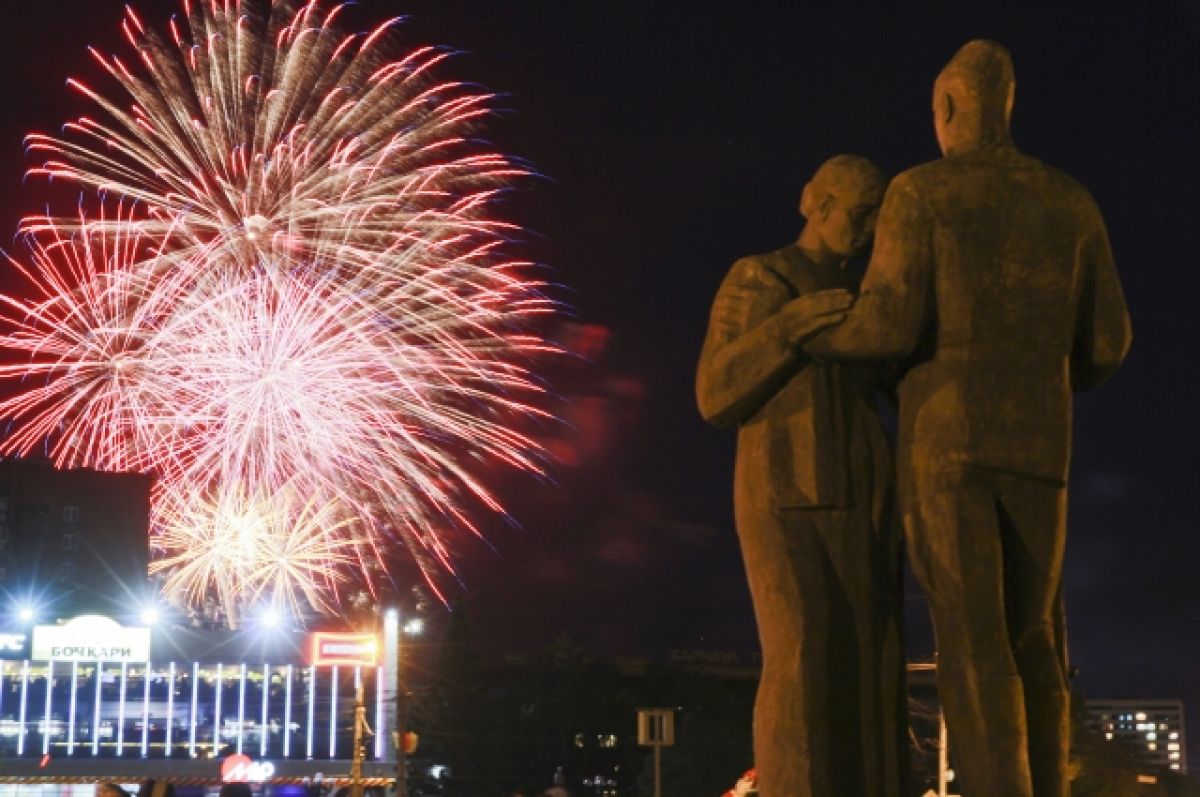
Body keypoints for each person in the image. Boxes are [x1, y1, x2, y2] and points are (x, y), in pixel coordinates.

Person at [806, 40, 1132, 797]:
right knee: (1035, 634)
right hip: (1042, 443)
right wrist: (1041, 371)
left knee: (972, 634)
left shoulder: (922, 194)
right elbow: (1110, 341)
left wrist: (806, 327)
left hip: (947, 442)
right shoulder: (1071, 200)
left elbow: (886, 325)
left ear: (949, 107)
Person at [697, 154, 906, 797]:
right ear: (819, 205)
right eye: (860, 213)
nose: (868, 229)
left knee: (875, 660)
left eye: (878, 217)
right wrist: (787, 330)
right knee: (804, 653)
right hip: (785, 490)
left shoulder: (874, 297)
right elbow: (714, 393)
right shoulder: (761, 276)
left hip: (864, 496)